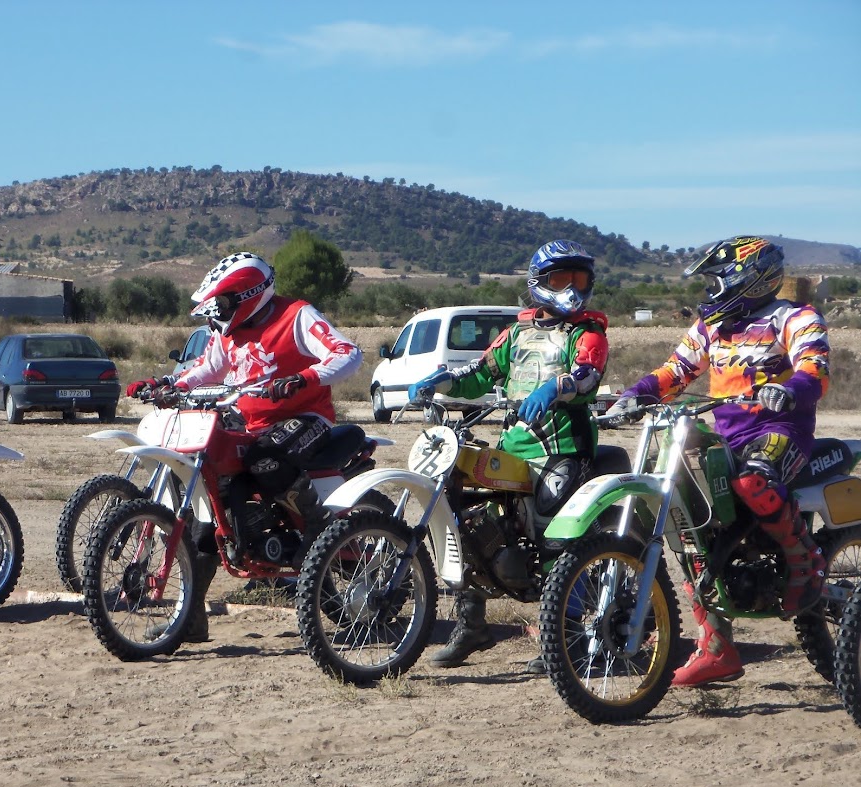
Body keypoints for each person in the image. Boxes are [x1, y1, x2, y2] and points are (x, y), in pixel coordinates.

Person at [607, 235, 830, 687]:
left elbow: (815, 368)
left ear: (748, 278)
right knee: (688, 528)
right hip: (720, 436)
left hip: (778, 431)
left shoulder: (796, 317)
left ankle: (803, 560)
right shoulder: (711, 324)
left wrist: (789, 390)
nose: (710, 290)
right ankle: (716, 646)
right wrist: (632, 396)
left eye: (716, 279)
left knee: (754, 480)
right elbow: (675, 372)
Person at [125, 252, 362, 642]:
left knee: (265, 459)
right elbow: (206, 369)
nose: (218, 311)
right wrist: (170, 384)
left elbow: (347, 353)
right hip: (252, 423)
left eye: (223, 302)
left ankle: (318, 531)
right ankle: (191, 618)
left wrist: (303, 379)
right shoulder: (228, 332)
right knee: (211, 505)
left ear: (248, 294)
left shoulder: (297, 315)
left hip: (307, 420)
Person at [407, 240, 609, 671]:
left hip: (564, 450)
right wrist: (439, 381)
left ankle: (566, 636)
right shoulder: (516, 333)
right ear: (538, 283)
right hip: (514, 447)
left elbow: (588, 374)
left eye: (579, 279)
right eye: (561, 279)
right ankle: (472, 625)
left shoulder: (588, 333)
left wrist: (557, 387)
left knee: (555, 535)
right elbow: (481, 371)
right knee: (461, 512)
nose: (571, 288)